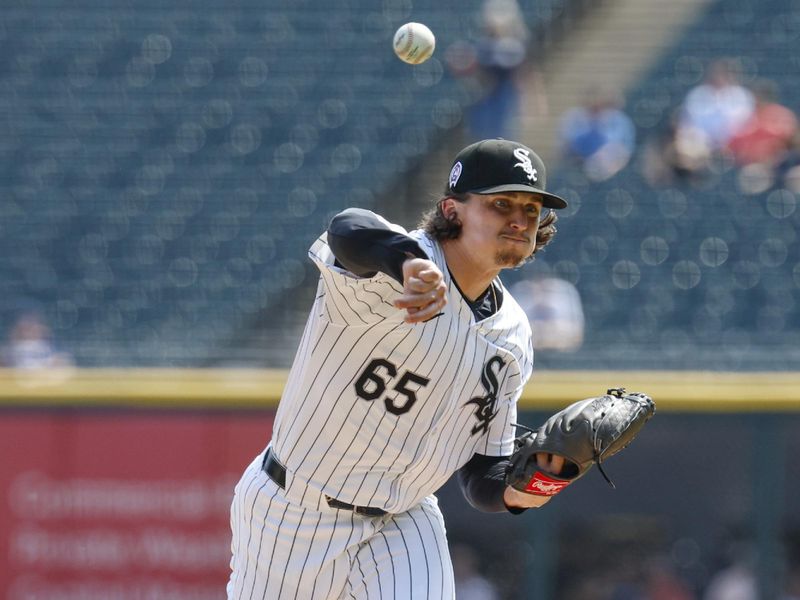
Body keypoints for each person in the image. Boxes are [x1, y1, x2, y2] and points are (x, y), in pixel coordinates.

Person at [227, 138, 570, 599]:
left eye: (531, 209)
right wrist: (406, 262)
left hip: (402, 520)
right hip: (292, 511)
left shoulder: (512, 335)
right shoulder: (392, 264)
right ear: (452, 210)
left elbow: (483, 474)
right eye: (501, 203)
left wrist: (532, 485)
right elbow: (346, 229)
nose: (519, 219)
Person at [558, 86, 636, 181]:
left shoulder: (617, 119)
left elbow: (624, 147)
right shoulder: (574, 116)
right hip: (579, 161)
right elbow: (567, 141)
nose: (594, 103)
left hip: (611, 165)